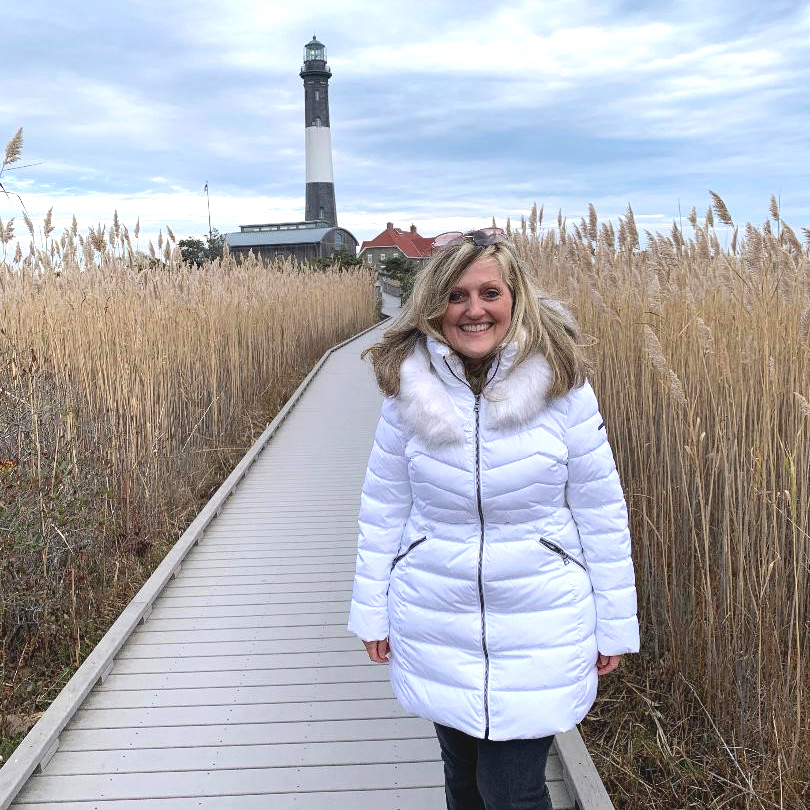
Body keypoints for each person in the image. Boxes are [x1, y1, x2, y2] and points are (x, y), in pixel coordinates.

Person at [348, 228, 640, 810]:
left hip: (540, 620)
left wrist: (614, 624)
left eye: (489, 293)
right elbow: (384, 506)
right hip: (437, 617)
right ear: (435, 304)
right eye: (456, 295)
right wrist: (372, 611)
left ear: (515, 299)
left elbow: (601, 511)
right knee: (464, 784)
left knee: (511, 793)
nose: (474, 309)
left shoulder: (563, 388)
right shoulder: (409, 390)